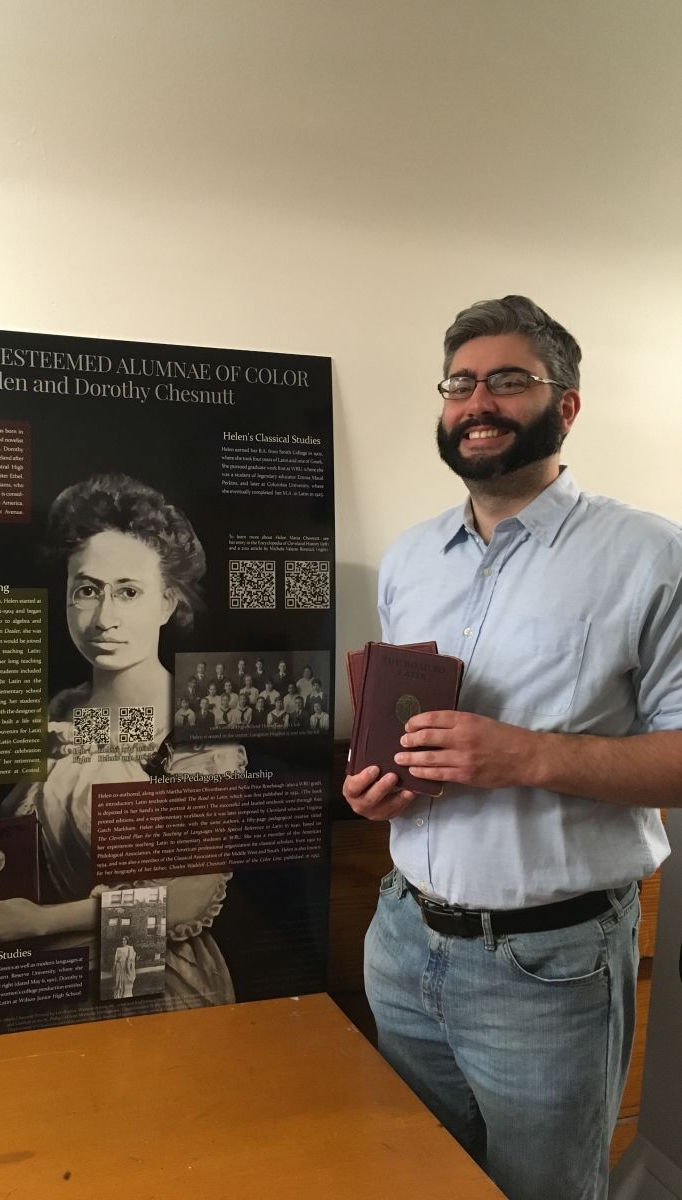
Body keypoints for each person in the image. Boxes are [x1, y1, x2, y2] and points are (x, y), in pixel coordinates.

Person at [343, 296, 681, 1200]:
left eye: (507, 380)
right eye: (460, 382)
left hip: (551, 965)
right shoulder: (412, 558)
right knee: (412, 1179)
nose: (476, 401)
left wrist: (524, 756)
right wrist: (384, 789)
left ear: (565, 405)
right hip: (402, 939)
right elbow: (406, 736)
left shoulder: (652, 556)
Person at [0, 473, 245, 1010]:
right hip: (45, 983)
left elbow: (186, 898)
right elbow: (18, 848)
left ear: (167, 603)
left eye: (129, 591)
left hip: (150, 981)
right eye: (87, 590)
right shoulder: (62, 713)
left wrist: (39, 922)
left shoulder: (197, 726)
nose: (104, 619)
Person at [112, 935, 136, 999]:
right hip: (119, 967)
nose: (123, 941)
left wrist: (128, 967)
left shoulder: (130, 948)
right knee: (118, 982)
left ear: (127, 941)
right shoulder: (118, 949)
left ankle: (126, 994)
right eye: (122, 940)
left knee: (126, 981)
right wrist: (115, 966)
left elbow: (131, 959)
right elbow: (115, 959)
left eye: (124, 940)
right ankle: (119, 995)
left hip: (126, 966)